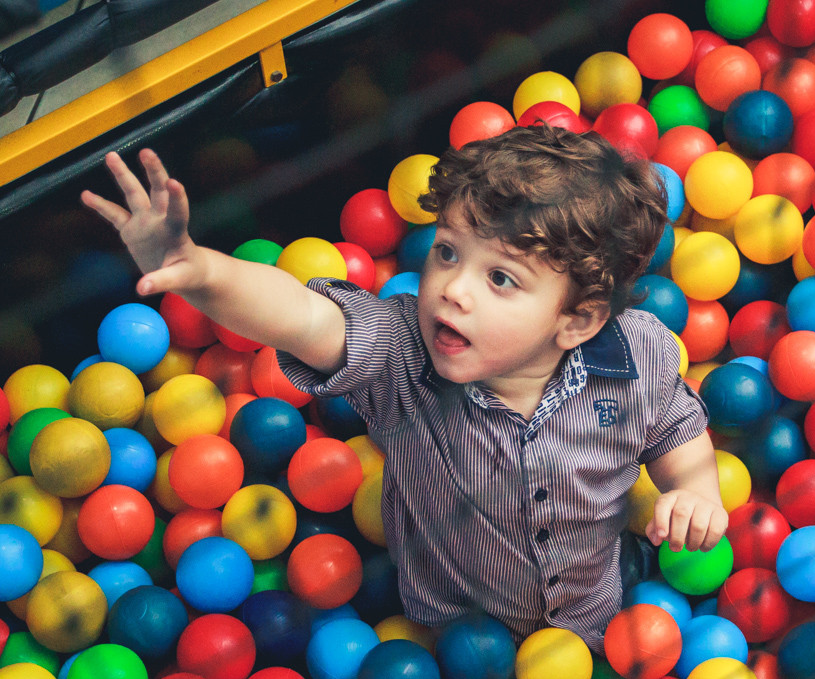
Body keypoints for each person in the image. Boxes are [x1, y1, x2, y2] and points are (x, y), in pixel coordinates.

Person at [81, 124, 726, 652]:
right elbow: (303, 316)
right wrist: (198, 270)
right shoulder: (399, 355)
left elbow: (677, 428)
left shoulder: (635, 355)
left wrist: (694, 490)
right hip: (447, 629)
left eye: (500, 279)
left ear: (577, 320)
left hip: (596, 615)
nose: (453, 288)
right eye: (447, 252)